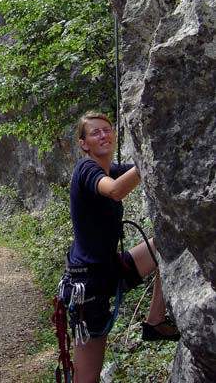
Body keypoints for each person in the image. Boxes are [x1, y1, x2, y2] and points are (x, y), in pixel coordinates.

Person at [58, 111, 179, 383]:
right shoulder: (86, 170)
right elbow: (114, 190)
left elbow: (129, 175)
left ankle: (155, 322)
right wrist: (145, 164)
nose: (103, 135)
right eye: (95, 132)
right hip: (87, 283)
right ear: (83, 144)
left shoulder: (110, 169)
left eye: (107, 129)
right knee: (86, 378)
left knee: (165, 243)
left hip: (109, 269)